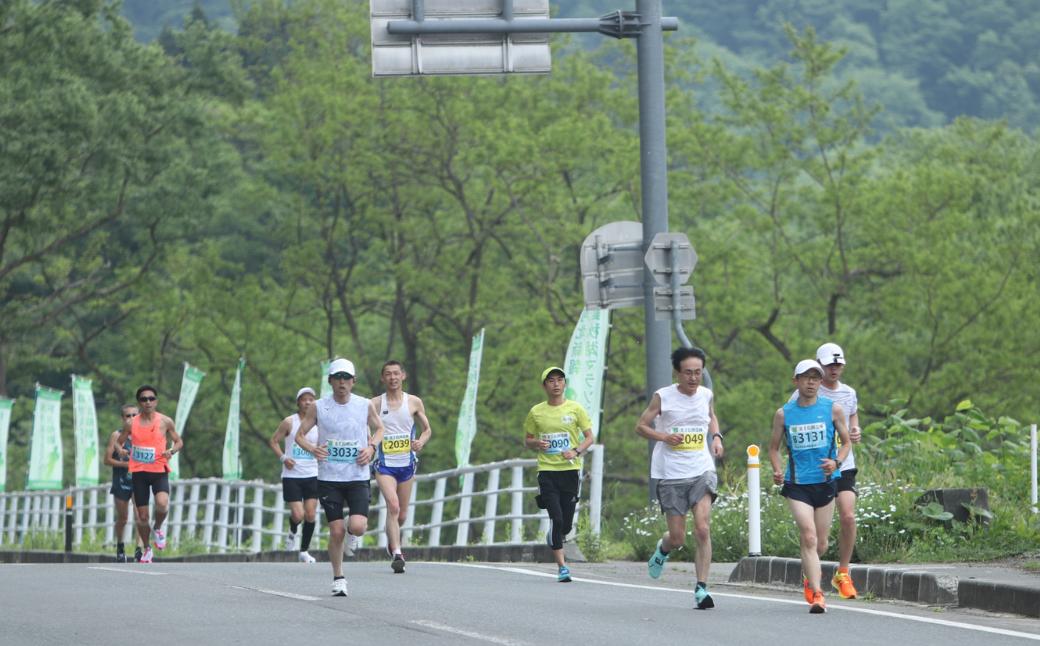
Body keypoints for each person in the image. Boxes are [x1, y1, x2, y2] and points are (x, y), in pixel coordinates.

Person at [637, 347, 724, 609]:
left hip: (701, 469)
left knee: (703, 528)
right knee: (678, 538)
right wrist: (664, 437)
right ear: (678, 372)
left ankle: (701, 588)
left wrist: (717, 437)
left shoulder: (705, 394)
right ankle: (663, 549)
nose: (694, 378)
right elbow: (640, 426)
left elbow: (711, 416)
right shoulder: (662, 397)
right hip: (671, 473)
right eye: (688, 373)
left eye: (698, 372)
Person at [294, 358, 384, 597]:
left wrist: (371, 447)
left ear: (353, 381)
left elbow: (380, 428)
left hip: (357, 475)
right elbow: (299, 435)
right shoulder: (319, 407)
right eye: (338, 378)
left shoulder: (364, 405)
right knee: (335, 532)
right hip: (329, 477)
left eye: (346, 378)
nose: (342, 382)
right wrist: (313, 450)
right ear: (330, 381)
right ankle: (339, 577)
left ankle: (352, 533)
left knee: (357, 526)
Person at [769, 359, 851, 614]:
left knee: (821, 544)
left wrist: (836, 461)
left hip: (825, 482)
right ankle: (818, 594)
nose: (811, 382)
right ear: (796, 381)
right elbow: (773, 448)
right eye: (806, 377)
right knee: (808, 535)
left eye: (816, 377)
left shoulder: (833, 409)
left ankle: (809, 576)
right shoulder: (784, 413)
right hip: (797, 484)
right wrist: (777, 469)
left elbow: (847, 443)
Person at [788, 343, 862, 599]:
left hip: (844, 463)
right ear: (819, 366)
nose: (834, 369)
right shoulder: (801, 396)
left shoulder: (849, 393)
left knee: (849, 516)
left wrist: (855, 430)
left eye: (838, 364)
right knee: (818, 540)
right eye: (830, 365)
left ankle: (843, 572)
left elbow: (852, 418)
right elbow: (791, 424)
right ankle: (812, 576)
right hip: (815, 471)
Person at [523, 366, 594, 583]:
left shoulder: (575, 409)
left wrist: (576, 450)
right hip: (547, 471)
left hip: (570, 470)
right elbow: (527, 440)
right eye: (551, 380)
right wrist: (537, 443)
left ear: (565, 384)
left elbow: (590, 437)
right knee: (556, 517)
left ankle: (557, 535)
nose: (556, 384)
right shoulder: (536, 411)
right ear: (544, 386)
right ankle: (562, 567)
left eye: (559, 380)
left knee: (566, 524)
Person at [372, 360, 432, 574]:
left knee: (402, 515)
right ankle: (397, 553)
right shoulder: (376, 404)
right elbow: (361, 426)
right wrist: (370, 444)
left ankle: (391, 537)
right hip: (384, 465)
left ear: (403, 376)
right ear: (383, 378)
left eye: (396, 373)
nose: (392, 378)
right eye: (388, 374)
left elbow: (426, 429)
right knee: (393, 506)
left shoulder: (414, 402)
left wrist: (421, 442)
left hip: (407, 464)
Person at [115, 385, 183, 564]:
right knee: (142, 516)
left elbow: (178, 441)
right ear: (139, 403)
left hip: (159, 470)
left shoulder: (164, 421)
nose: (148, 402)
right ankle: (146, 548)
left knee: (162, 504)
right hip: (139, 472)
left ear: (156, 401)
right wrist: (121, 451)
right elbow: (118, 442)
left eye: (151, 398)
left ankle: (158, 528)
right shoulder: (131, 423)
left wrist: (172, 451)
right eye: (144, 399)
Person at [269, 387, 320, 563]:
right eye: (304, 399)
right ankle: (292, 532)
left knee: (311, 514)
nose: (307, 402)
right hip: (292, 475)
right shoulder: (289, 422)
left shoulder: (320, 423)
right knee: (298, 515)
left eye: (311, 399)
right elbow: (274, 441)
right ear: (298, 402)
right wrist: (284, 458)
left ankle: (304, 551)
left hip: (313, 473)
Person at [103, 404, 144, 562]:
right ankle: (120, 546)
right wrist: (125, 464)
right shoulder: (116, 435)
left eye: (135, 415)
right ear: (123, 418)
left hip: (139, 480)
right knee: (123, 518)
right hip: (121, 481)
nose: (132, 419)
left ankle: (139, 549)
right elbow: (106, 460)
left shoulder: (144, 435)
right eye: (128, 416)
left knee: (140, 515)